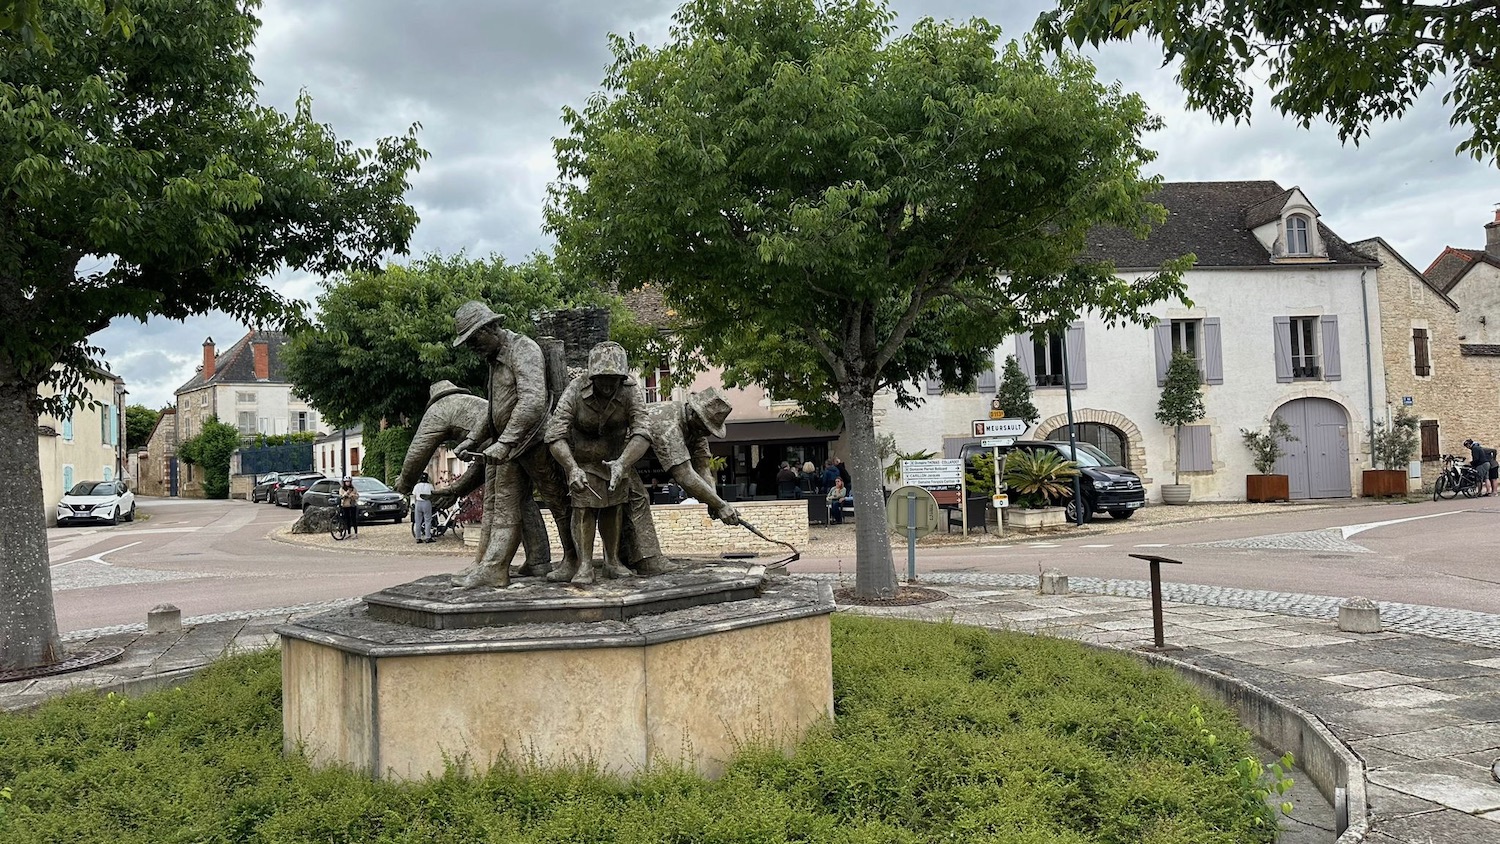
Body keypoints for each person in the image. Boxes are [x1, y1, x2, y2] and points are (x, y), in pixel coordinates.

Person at [449, 301, 579, 588]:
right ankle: (493, 567)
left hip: (536, 442)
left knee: (559, 501)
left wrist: (505, 441)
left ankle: (574, 559)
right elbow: (494, 407)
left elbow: (533, 401)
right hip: (509, 447)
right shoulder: (495, 360)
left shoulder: (523, 350)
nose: (472, 348)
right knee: (504, 504)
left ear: (490, 328)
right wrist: (473, 439)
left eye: (473, 339)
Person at [545, 341, 652, 584]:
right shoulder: (575, 391)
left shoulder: (630, 390)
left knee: (614, 508)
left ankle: (612, 561)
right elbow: (554, 435)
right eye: (601, 378)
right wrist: (571, 467)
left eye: (613, 379)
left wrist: (623, 463)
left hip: (616, 460)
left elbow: (643, 431)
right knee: (583, 509)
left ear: (621, 377)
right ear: (592, 376)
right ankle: (584, 565)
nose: (607, 384)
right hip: (581, 461)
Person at [614, 387, 740, 573]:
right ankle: (648, 560)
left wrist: (713, 501)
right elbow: (684, 475)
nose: (705, 433)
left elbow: (703, 467)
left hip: (628, 458)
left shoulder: (696, 430)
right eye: (705, 426)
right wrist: (720, 505)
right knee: (637, 497)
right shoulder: (668, 423)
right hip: (617, 454)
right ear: (693, 413)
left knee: (631, 498)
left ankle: (627, 556)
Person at [412, 471, 435, 543]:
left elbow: (413, 495)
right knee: (427, 520)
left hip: (418, 503)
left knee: (418, 521)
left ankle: (418, 538)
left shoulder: (417, 486)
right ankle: (428, 537)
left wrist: (412, 503)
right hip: (426, 503)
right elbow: (433, 494)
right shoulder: (430, 486)